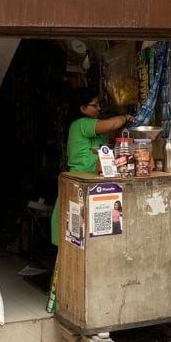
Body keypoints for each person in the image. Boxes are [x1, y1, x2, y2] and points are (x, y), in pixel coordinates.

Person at [52, 89, 133, 246]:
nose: (99, 109)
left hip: (90, 181)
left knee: (84, 240)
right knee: (74, 242)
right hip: (79, 182)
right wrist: (125, 117)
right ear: (82, 108)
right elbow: (113, 124)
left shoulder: (91, 129)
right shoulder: (81, 124)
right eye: (94, 105)